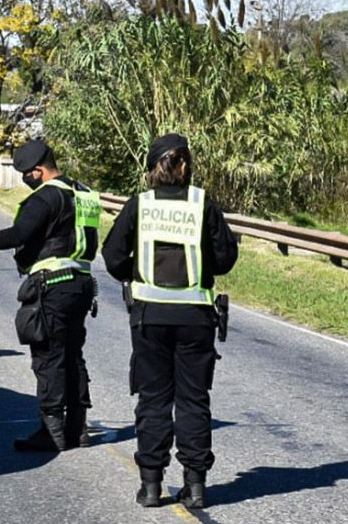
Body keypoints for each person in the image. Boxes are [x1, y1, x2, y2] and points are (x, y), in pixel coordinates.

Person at [101, 133, 237, 509]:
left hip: (150, 318)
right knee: (194, 400)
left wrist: (139, 272)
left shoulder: (139, 205)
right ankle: (195, 487)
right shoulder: (202, 203)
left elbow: (111, 255)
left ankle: (150, 486)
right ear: (184, 165)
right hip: (196, 318)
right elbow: (225, 258)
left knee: (153, 401)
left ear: (153, 168)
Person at [0, 140, 100, 452]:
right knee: (72, 355)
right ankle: (78, 428)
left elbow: (18, 235)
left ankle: (51, 429)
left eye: (26, 174)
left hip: (52, 284)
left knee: (48, 357)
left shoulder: (46, 197)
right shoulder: (84, 193)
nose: (25, 180)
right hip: (82, 281)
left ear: (38, 170)